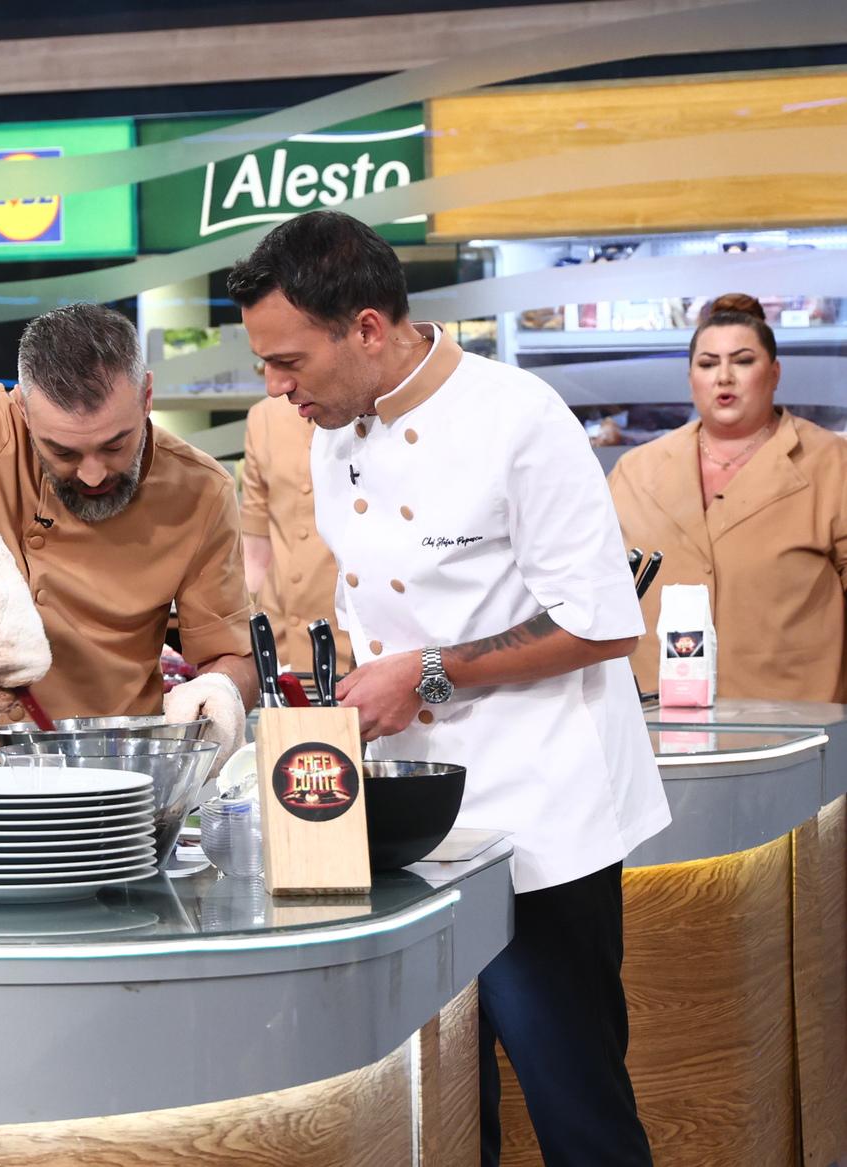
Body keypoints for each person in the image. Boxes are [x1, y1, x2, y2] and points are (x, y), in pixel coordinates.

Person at [230, 210, 669, 1166]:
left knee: (577, 1107)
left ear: (367, 328)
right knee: (444, 1109)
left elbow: (601, 622)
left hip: (538, 817)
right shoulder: (331, 428)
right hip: (411, 818)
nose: (275, 386)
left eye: (289, 361)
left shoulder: (519, 418)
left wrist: (425, 673)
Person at [0, 303, 258, 765]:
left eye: (115, 444)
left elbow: (231, 654)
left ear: (147, 397)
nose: (93, 474)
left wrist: (222, 690)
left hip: (103, 767)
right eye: (63, 451)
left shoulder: (200, 491)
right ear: (23, 410)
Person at [609, 293, 847, 701]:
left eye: (742, 361)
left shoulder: (832, 463)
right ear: (690, 378)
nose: (724, 377)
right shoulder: (635, 471)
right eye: (707, 364)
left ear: (774, 373)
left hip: (797, 720)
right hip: (656, 720)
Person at [240, 393, 350, 666]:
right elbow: (255, 545)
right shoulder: (264, 416)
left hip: (349, 646)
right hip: (276, 645)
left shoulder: (375, 411)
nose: (275, 384)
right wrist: (244, 638)